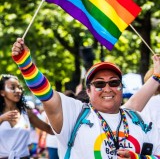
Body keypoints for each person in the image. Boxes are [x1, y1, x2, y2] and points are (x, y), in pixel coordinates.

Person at [11, 38, 160, 159]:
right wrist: (25, 63)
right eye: (99, 84)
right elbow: (45, 93)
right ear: (88, 90)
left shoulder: (138, 120)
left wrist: (139, 158)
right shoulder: (74, 115)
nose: (107, 88)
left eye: (114, 82)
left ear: (122, 87)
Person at [0, 74, 54, 159]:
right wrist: (2, 118)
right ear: (2, 92)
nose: (18, 91)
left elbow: (50, 129)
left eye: (19, 87)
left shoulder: (27, 113)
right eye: (12, 88)